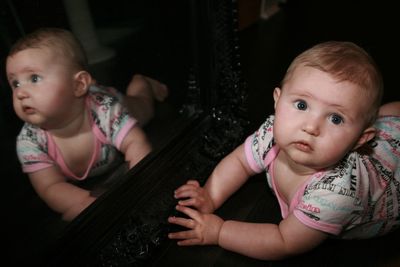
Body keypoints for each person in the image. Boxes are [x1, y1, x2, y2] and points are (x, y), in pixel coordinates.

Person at [168, 41, 400, 260]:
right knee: (386, 114)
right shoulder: (274, 132)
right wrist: (210, 194)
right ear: (278, 101)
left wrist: (219, 231)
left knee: (388, 121)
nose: (310, 127)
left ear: (360, 139)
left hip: (393, 176)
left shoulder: (335, 194)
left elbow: (283, 241)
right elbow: (241, 162)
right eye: (302, 105)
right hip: (386, 136)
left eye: (336, 118)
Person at [6, 27, 167, 221]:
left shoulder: (105, 110)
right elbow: (49, 187)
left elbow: (136, 143)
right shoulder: (30, 141)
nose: (20, 93)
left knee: (143, 109)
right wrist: (84, 203)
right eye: (15, 83)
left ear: (78, 85)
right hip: (84, 100)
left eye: (34, 78)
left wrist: (141, 181)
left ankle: (142, 83)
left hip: (105, 102)